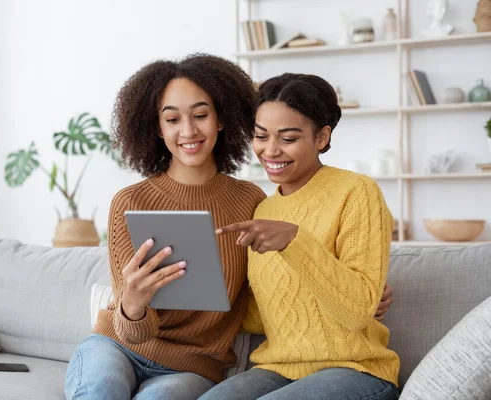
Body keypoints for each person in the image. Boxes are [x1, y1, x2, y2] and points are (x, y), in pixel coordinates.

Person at [64, 53, 266, 400]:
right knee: (100, 390)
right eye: (172, 119)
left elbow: (271, 286)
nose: (188, 131)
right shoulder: (130, 202)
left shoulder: (250, 201)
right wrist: (132, 302)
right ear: (158, 128)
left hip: (192, 367)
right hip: (116, 345)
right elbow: (131, 331)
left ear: (221, 119)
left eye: (201, 115)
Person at [200, 73, 401, 400]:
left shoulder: (357, 192)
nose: (270, 150)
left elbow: (355, 311)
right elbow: (262, 317)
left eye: (289, 138)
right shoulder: (263, 210)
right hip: (276, 368)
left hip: (355, 370)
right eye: (261, 136)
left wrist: (296, 241)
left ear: (321, 137)